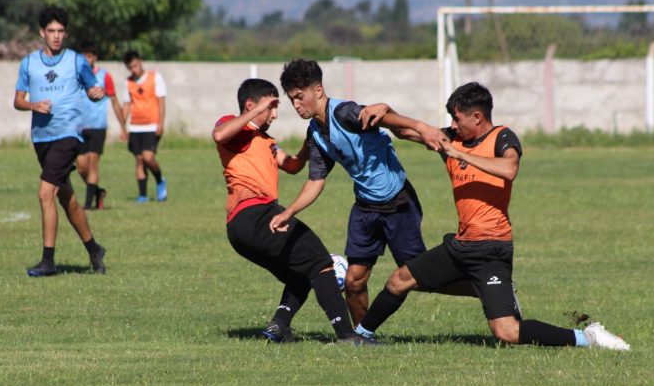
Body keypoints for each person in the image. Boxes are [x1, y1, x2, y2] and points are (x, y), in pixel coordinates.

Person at [353, 82, 630, 351]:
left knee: (506, 332)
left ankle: (588, 337)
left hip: (491, 249)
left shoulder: (502, 137)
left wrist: (457, 152)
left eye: (457, 118)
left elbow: (509, 169)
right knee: (399, 280)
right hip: (460, 245)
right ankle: (361, 336)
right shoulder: (453, 137)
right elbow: (402, 132)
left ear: (477, 116)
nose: (453, 124)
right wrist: (386, 110)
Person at [269, 59, 461, 326]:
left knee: (417, 276)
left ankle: (485, 289)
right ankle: (361, 336)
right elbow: (316, 181)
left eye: (300, 97)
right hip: (365, 208)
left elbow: (380, 116)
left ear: (318, 91)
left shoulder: (344, 113)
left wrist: (421, 127)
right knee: (354, 280)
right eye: (292, 100)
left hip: (398, 202)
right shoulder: (315, 133)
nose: (297, 105)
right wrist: (289, 212)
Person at [214, 78, 371, 345]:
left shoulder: (266, 141)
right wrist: (253, 112)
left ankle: (280, 325)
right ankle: (347, 335)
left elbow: (294, 165)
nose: (275, 114)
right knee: (321, 262)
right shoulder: (235, 126)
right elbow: (219, 134)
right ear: (251, 105)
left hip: (244, 227)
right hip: (255, 215)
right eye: (270, 107)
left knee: (301, 274)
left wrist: (311, 142)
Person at [13, 6, 107, 277]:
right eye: (51, 31)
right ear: (42, 32)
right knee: (68, 200)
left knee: (45, 193)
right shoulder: (28, 63)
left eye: (61, 31)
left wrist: (97, 94)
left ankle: (48, 261)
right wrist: (32, 105)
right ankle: (94, 249)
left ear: (65, 33)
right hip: (42, 138)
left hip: (68, 135)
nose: (56, 36)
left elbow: (93, 91)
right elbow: (18, 100)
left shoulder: (77, 61)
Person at [76, 40, 127, 210]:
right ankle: (97, 192)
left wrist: (123, 127)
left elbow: (114, 101)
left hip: (98, 126)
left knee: (93, 162)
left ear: (95, 58)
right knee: (81, 166)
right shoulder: (76, 76)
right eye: (83, 57)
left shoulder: (104, 76)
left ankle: (88, 204)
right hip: (78, 127)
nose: (87, 60)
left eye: (89, 57)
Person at [122, 50, 168, 202]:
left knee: (148, 158)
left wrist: (161, 123)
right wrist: (123, 127)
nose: (133, 69)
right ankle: (143, 195)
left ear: (140, 61)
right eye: (130, 67)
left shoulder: (155, 77)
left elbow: (161, 102)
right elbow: (127, 105)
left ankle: (160, 179)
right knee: (139, 160)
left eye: (135, 65)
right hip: (135, 127)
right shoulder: (128, 82)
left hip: (152, 125)